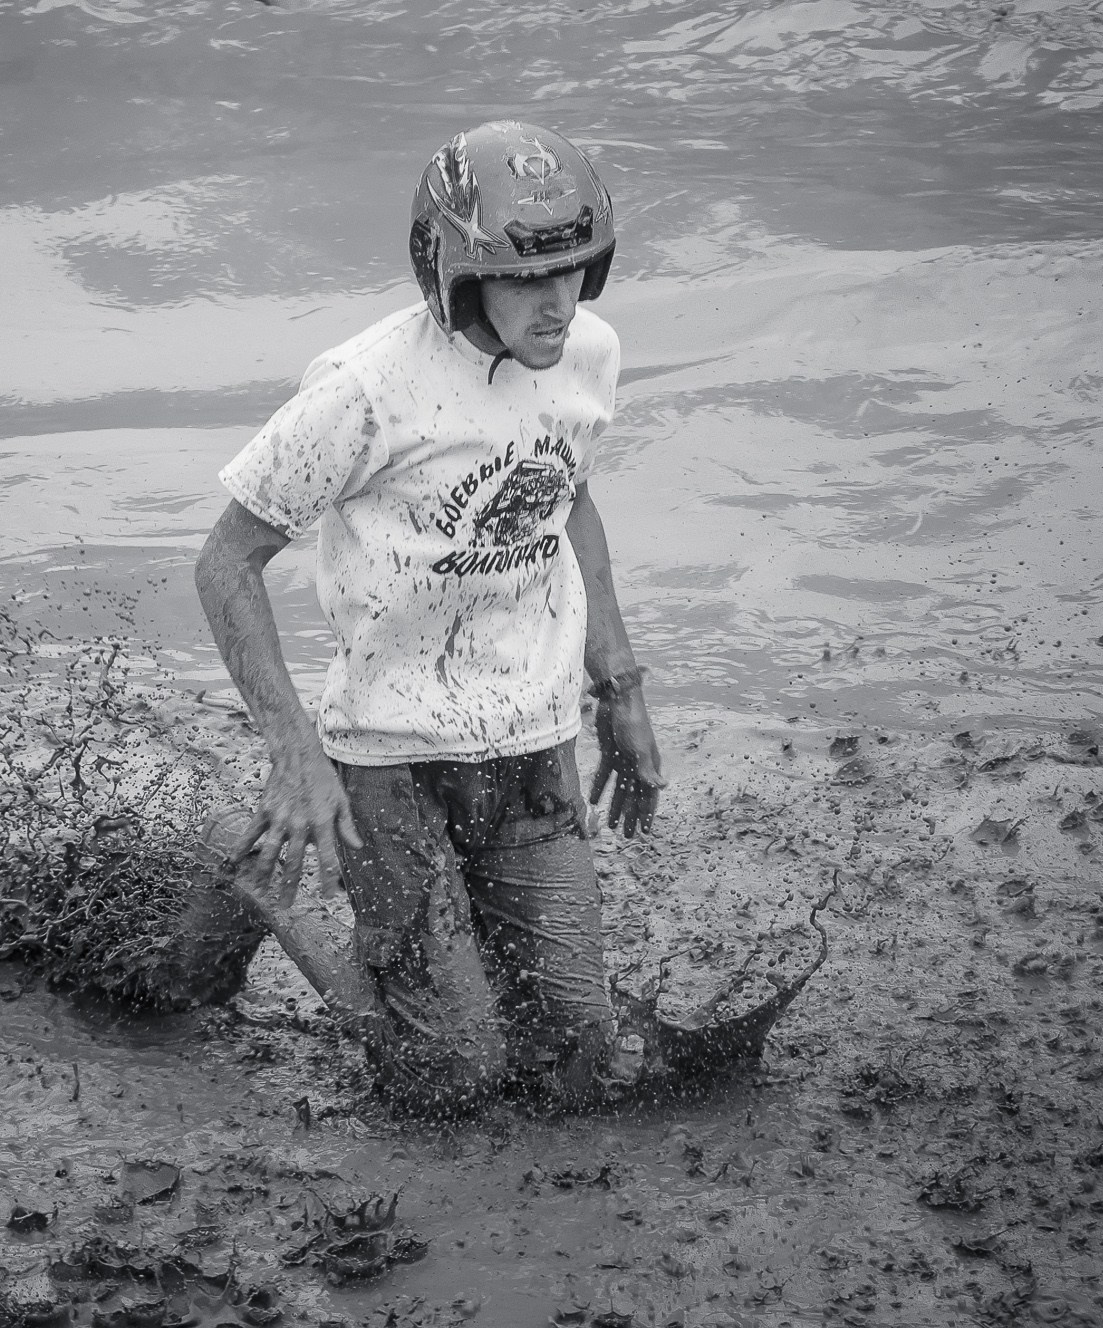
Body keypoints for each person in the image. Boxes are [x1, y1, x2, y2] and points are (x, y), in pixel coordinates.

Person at [194, 120, 664, 1113]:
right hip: (390, 761)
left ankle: (441, 952)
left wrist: (618, 685)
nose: (558, 303)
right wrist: (295, 754)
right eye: (526, 279)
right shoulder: (365, 392)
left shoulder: (589, 354)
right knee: (450, 1077)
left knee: (575, 1063)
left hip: (532, 744)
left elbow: (568, 491)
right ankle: (251, 868)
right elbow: (226, 563)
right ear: (455, 274)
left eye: (574, 271)